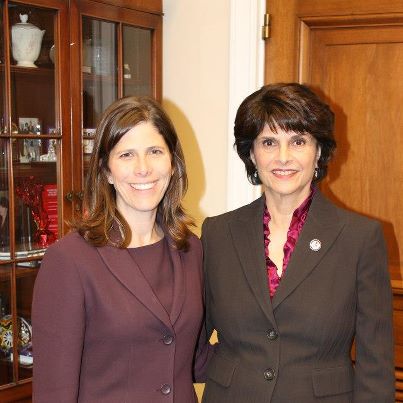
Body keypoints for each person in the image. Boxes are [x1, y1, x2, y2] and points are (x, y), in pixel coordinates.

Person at [201, 83, 394, 403]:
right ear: (252, 152)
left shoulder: (360, 239)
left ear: (319, 150)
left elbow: (376, 366)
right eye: (269, 142)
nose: (283, 157)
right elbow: (189, 338)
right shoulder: (217, 234)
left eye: (298, 141)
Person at [32, 96, 209, 402]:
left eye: (155, 151)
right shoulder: (70, 261)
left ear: (172, 163)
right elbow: (53, 392)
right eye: (126, 154)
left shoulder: (191, 249)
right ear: (107, 171)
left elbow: (197, 359)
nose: (143, 168)